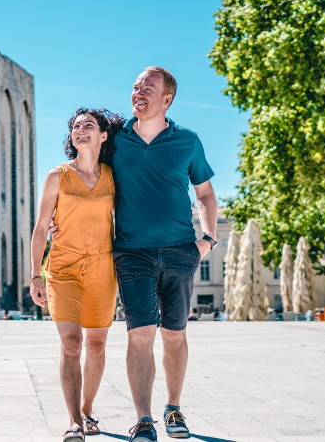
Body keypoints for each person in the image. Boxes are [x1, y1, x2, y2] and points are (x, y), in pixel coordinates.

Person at [113, 67, 217, 441]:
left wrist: (208, 239)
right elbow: (87, 178)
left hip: (179, 251)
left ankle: (173, 408)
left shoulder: (187, 141)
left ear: (167, 99)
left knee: (174, 334)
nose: (138, 92)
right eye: (135, 85)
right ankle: (143, 418)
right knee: (139, 334)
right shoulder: (115, 140)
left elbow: (204, 193)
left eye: (148, 88)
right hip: (131, 253)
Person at [30, 107, 125, 442]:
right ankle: (74, 421)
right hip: (63, 268)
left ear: (102, 136)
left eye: (89, 125)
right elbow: (42, 227)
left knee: (97, 344)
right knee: (72, 342)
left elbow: (126, 220)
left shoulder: (113, 176)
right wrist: (34, 276)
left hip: (103, 267)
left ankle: (87, 410)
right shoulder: (57, 176)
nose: (80, 129)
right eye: (75, 126)